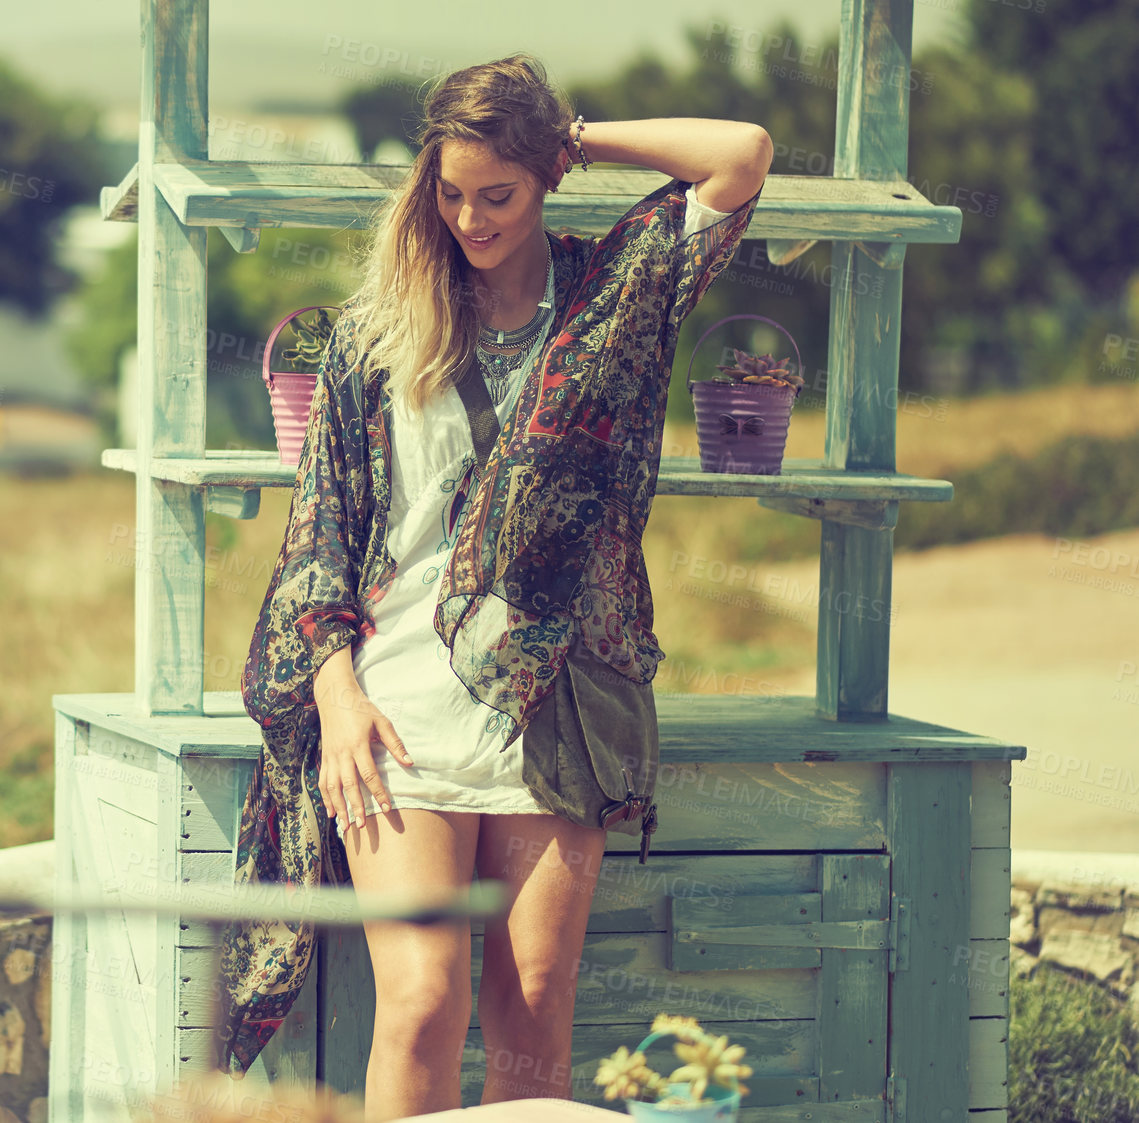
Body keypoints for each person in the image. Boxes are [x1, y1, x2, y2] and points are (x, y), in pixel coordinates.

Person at [216, 53, 770, 1119]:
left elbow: (741, 156)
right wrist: (335, 694)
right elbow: (321, 529)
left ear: (546, 177)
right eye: (451, 191)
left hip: (560, 705)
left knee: (533, 1003)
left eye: (499, 193)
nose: (471, 217)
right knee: (422, 1001)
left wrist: (578, 135)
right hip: (399, 708)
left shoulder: (617, 293)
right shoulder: (378, 333)